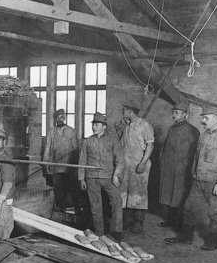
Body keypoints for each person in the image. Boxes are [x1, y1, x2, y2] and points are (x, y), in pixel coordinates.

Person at [166, 107, 217, 251]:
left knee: (215, 212)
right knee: (188, 208)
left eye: (206, 118)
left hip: (213, 183)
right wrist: (193, 175)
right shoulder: (204, 135)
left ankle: (213, 241)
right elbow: (196, 159)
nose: (202, 121)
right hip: (198, 181)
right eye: (202, 118)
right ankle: (186, 237)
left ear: (216, 119)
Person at [78, 112, 125, 240]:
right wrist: (81, 178)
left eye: (97, 125)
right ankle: (100, 233)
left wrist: (116, 175)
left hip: (109, 177)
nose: (94, 127)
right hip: (91, 178)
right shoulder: (87, 142)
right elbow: (82, 161)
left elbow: (120, 160)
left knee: (117, 201)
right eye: (93, 125)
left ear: (104, 126)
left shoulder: (112, 141)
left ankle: (117, 232)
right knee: (95, 205)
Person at [158, 102, 199, 230]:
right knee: (168, 194)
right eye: (173, 112)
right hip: (169, 168)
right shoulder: (172, 128)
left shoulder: (192, 130)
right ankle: (171, 220)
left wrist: (188, 167)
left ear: (185, 115)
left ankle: (180, 223)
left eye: (176, 113)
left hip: (182, 169)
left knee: (179, 195)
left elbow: (194, 152)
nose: (173, 115)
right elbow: (165, 147)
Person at [116, 98, 154, 233]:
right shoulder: (126, 125)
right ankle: (127, 222)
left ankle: (138, 224)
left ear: (129, 111)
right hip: (126, 165)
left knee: (138, 194)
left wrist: (143, 163)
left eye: (124, 110)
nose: (122, 112)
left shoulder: (144, 125)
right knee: (125, 194)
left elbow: (150, 145)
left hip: (139, 165)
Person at [42, 108, 79, 211]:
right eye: (58, 117)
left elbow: (76, 150)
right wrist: (46, 164)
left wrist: (76, 167)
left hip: (69, 166)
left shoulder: (71, 131)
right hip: (55, 166)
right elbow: (47, 149)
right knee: (58, 188)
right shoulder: (51, 132)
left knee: (71, 188)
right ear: (55, 119)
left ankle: (75, 208)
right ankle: (61, 208)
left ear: (65, 118)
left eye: (62, 117)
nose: (60, 119)